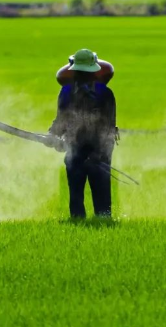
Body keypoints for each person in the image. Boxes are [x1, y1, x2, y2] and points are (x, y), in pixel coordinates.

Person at [48, 49, 118, 218]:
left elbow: (109, 127)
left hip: (100, 152)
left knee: (101, 193)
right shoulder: (65, 92)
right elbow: (61, 118)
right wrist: (53, 135)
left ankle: (104, 220)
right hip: (75, 149)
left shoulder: (105, 94)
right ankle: (78, 221)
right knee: (76, 194)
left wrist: (98, 154)